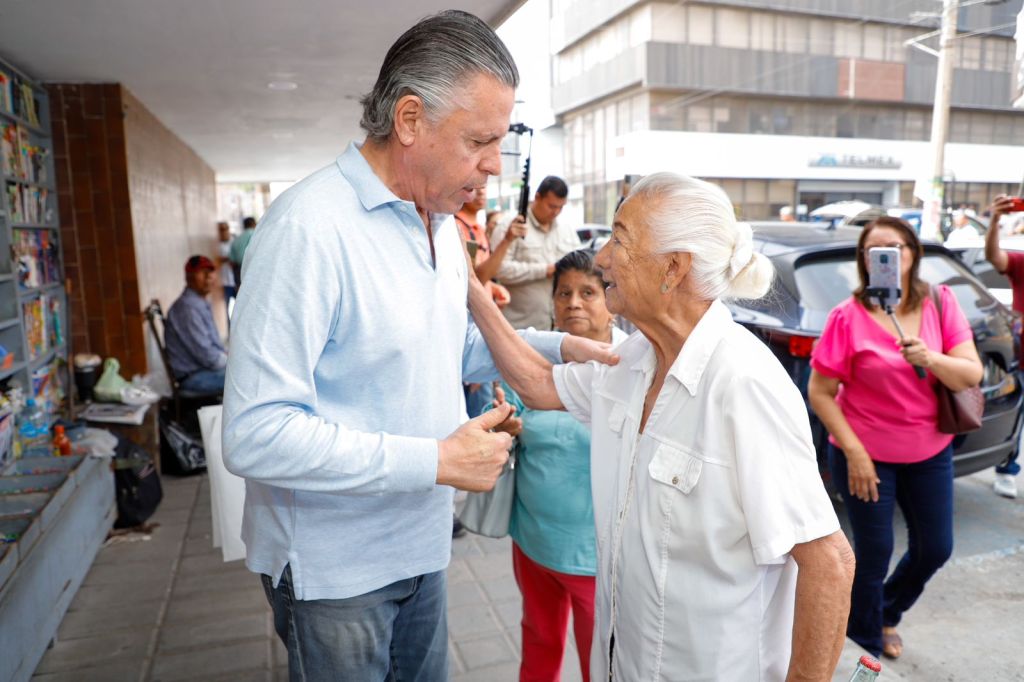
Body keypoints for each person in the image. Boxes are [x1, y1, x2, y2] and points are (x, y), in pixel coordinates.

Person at [221, 12, 614, 681]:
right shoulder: (309, 229)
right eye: (479, 140)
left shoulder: (433, 222)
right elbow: (256, 434)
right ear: (409, 120)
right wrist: (436, 460)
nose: (493, 164)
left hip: (421, 545)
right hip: (337, 571)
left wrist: (560, 347)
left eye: (499, 142)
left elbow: (443, 349)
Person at [467, 172, 854, 680]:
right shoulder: (633, 359)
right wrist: (472, 290)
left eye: (620, 238)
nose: (602, 256)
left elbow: (829, 563)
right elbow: (539, 384)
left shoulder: (744, 383)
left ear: (674, 268)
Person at [808, 216, 983, 660]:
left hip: (929, 450)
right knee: (873, 554)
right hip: (865, 454)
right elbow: (820, 392)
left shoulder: (940, 303)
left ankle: (885, 611)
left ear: (913, 254)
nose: (884, 257)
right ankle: (865, 646)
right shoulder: (846, 317)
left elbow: (971, 373)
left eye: (895, 248)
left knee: (935, 548)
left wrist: (931, 358)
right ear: (864, 260)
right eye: (874, 251)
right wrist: (855, 453)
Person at [498, 249, 627, 682]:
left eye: (588, 292)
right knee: (539, 643)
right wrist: (505, 427)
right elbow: (508, 418)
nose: (573, 303)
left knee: (601, 663)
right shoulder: (534, 359)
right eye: (564, 293)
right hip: (532, 541)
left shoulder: (629, 365)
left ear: (611, 301)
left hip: (595, 557)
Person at [490, 176, 580, 330]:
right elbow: (498, 270)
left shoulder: (567, 231)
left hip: (557, 327)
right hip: (518, 327)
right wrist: (544, 270)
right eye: (551, 206)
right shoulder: (511, 225)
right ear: (537, 197)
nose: (556, 212)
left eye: (561, 207)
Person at [983, 194, 1023, 498]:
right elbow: (995, 257)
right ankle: (1007, 469)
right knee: (1016, 418)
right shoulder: (1021, 263)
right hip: (1022, 358)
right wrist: (995, 220)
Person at [164, 255, 227, 394]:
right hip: (193, 377)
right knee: (247, 379)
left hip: (204, 371)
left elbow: (214, 348)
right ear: (189, 277)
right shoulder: (188, 308)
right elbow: (207, 355)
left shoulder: (198, 303)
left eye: (210, 272)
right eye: (202, 272)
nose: (208, 277)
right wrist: (233, 362)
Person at [215, 221, 237, 322]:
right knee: (227, 311)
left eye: (225, 229)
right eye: (221, 229)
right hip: (225, 283)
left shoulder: (234, 242)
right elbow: (217, 261)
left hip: (236, 281)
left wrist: (227, 259)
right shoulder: (217, 245)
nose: (223, 231)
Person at [229, 216, 257, 285]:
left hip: (238, 268)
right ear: (254, 224)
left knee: (241, 288)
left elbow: (231, 260)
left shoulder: (236, 239)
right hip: (251, 267)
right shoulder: (255, 234)